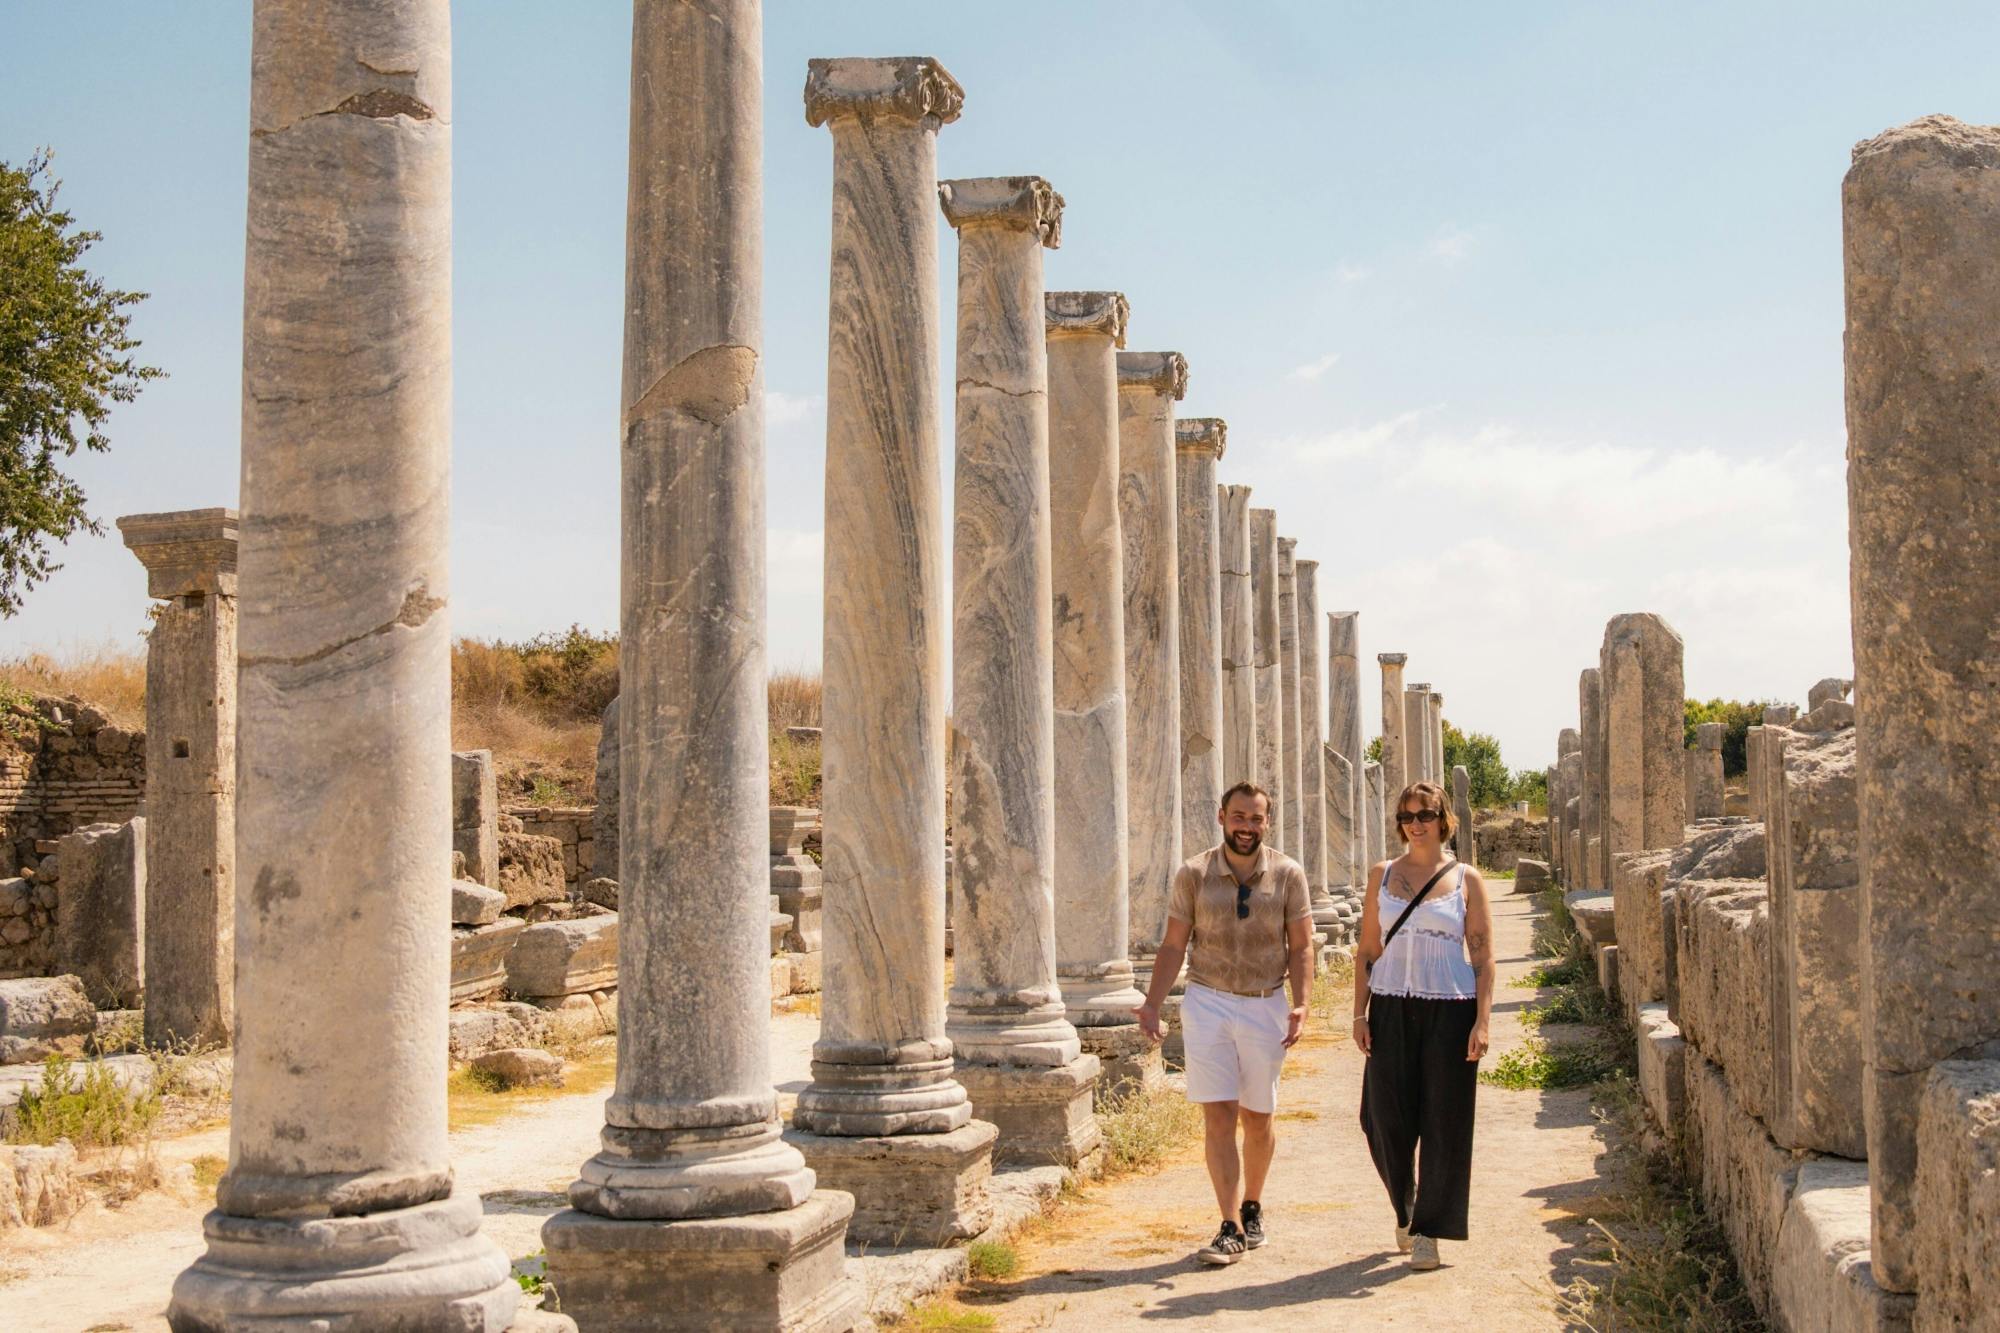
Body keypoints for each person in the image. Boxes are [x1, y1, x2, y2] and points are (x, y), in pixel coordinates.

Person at [1137, 782, 1314, 1266]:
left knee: (1258, 1117)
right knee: (1218, 1115)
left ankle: (1253, 1206)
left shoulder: (1287, 873)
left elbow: (1301, 945)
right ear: (1221, 817)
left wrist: (1302, 1004)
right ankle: (1230, 1224)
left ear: (1267, 823)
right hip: (1208, 1001)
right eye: (1239, 817)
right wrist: (1153, 1003)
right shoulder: (1194, 873)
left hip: (1265, 1002)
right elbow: (1175, 944)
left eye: (1256, 819)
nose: (1246, 827)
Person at [1353, 779, 1496, 1271]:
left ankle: (1429, 1231)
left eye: (1426, 815)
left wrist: (1482, 1020)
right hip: (1390, 1006)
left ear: (1444, 820)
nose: (1416, 824)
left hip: (1450, 1007)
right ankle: (1405, 1208)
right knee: (1382, 1120)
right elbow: (1368, 951)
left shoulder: (1466, 879)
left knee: (1444, 1120)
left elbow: (1481, 955)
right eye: (1408, 817)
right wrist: (1359, 1013)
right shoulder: (1382, 874)